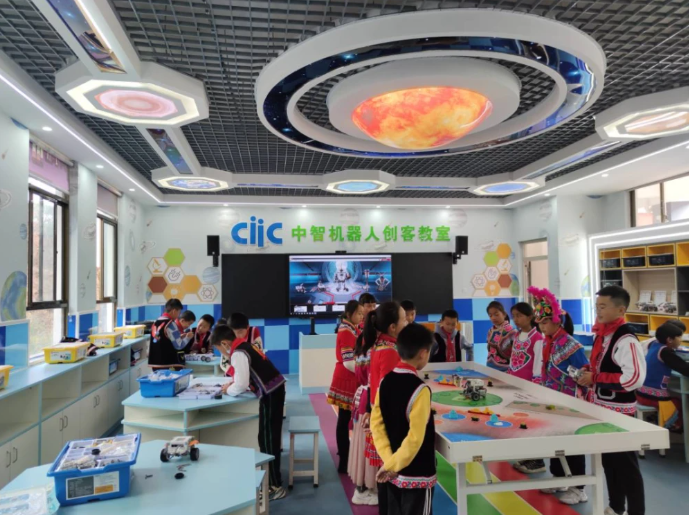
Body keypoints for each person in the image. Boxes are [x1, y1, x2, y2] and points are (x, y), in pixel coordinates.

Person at [576, 286, 646, 515]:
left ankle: (636, 511)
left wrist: (595, 378)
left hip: (619, 412)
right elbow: (602, 366)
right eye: (597, 306)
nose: (598, 311)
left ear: (621, 310)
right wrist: (589, 372)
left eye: (603, 307)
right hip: (601, 408)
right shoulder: (603, 335)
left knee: (626, 466)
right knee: (609, 462)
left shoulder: (626, 339)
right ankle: (616, 506)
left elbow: (633, 378)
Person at [527, 287, 589, 504]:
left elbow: (584, 372)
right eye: (540, 323)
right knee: (554, 439)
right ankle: (559, 477)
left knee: (573, 445)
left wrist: (576, 379)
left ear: (557, 321)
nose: (541, 326)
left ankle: (579, 488)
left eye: (545, 322)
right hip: (552, 400)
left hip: (571, 401)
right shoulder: (547, 342)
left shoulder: (572, 345)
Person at [211, 324, 287, 502]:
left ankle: (275, 486)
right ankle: (273, 481)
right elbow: (243, 377)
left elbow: (242, 383)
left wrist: (228, 390)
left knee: (268, 440)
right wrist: (232, 385)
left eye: (219, 349)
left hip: (270, 394)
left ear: (225, 343)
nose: (221, 353)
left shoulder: (238, 353)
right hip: (274, 391)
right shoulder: (244, 345)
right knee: (269, 438)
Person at [371, 323, 436, 515]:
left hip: (390, 472)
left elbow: (376, 425)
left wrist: (388, 461)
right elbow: (415, 438)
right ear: (423, 353)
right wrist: (393, 465)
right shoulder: (420, 390)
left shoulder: (385, 382)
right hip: (417, 474)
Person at [366, 302, 408, 471]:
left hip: (381, 413)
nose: (407, 323)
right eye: (404, 319)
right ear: (392, 327)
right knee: (391, 468)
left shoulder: (381, 344)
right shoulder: (390, 351)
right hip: (388, 418)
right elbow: (389, 390)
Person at [348, 304, 380, 506]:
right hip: (370, 399)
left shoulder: (362, 341)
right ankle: (367, 488)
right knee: (369, 445)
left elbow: (360, 375)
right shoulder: (377, 346)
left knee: (362, 444)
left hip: (363, 396)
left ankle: (363, 487)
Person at [327, 300, 364, 473]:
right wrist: (366, 374)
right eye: (359, 313)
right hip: (347, 379)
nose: (362, 316)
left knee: (346, 419)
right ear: (350, 314)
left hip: (350, 377)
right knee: (344, 419)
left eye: (362, 313)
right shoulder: (346, 331)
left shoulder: (352, 328)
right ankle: (344, 458)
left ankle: (346, 455)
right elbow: (349, 361)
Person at [637, 320, 689, 430]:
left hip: (640, 393)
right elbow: (685, 369)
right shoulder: (665, 352)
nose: (681, 340)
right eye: (679, 337)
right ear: (669, 340)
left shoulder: (654, 344)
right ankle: (674, 428)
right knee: (679, 402)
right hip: (651, 397)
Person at [148, 300, 195, 370]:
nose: (178, 315)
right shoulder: (171, 324)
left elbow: (163, 340)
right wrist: (188, 337)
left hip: (155, 363)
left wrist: (180, 337)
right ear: (174, 311)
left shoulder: (156, 322)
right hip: (168, 364)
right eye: (179, 312)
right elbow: (179, 346)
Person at [508, 303, 543, 383]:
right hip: (513, 380)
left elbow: (538, 363)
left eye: (519, 316)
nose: (515, 319)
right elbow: (512, 358)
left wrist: (536, 382)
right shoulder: (517, 335)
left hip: (528, 383)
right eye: (513, 316)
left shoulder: (537, 338)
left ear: (529, 317)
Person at [486, 301, 516, 372]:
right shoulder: (490, 330)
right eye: (490, 316)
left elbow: (515, 354)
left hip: (506, 370)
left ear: (504, 314)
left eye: (496, 314)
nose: (493, 318)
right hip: (490, 368)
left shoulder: (512, 332)